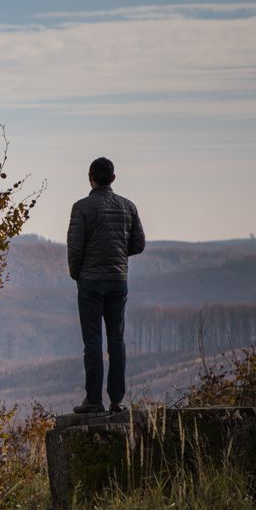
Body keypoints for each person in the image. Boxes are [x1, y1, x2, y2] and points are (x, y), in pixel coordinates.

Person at [67, 157, 145, 414]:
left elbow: (75, 248)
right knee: (117, 340)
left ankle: (93, 400)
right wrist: (118, 257)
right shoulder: (128, 207)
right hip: (117, 280)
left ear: (90, 177)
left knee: (92, 341)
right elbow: (138, 245)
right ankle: (117, 401)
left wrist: (77, 274)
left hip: (89, 281)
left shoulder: (81, 207)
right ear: (113, 178)